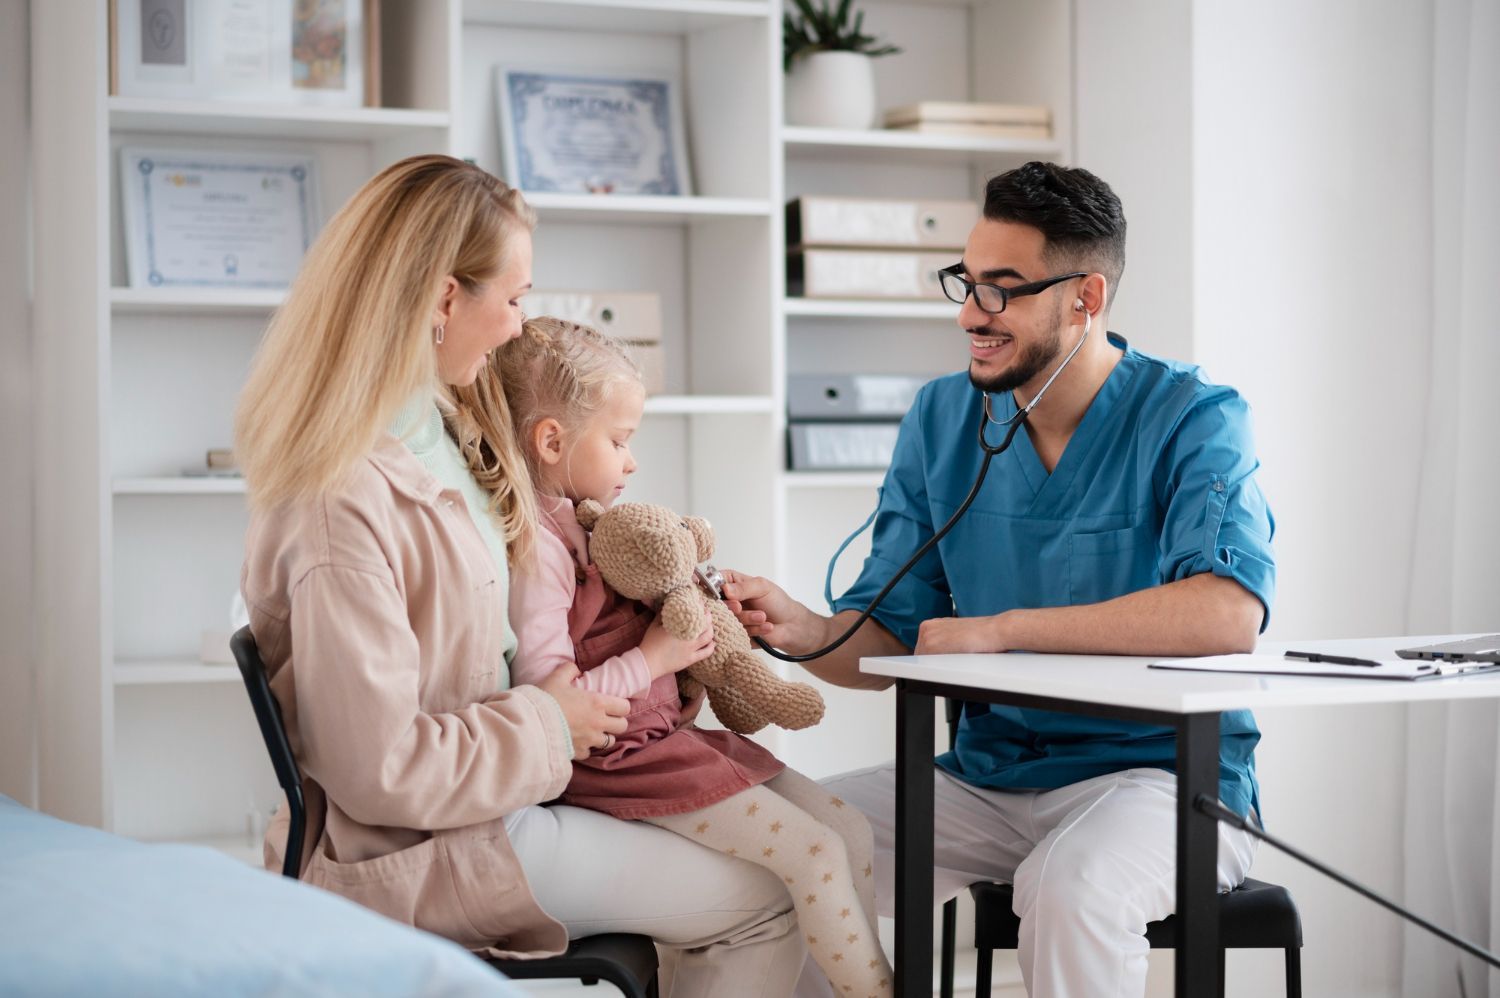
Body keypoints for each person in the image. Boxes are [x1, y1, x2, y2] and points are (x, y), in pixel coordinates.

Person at [234, 154, 805, 997]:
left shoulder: (448, 425)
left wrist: (643, 652)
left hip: (509, 793)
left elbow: (532, 609)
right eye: (514, 299)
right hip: (435, 842)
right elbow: (379, 768)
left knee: (779, 836)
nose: (516, 328)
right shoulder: (339, 502)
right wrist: (551, 723)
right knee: (773, 897)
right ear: (440, 298)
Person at [724, 161, 1275, 998]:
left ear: (1085, 298)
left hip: (1160, 780)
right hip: (991, 776)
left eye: (1002, 290)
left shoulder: (1194, 417)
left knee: (1074, 887)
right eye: (967, 282)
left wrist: (1002, 627)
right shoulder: (943, 416)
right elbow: (891, 636)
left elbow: (1226, 614)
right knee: (776, 848)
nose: (969, 314)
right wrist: (800, 629)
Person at [458, 316, 891, 998]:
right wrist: (655, 658)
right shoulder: (539, 550)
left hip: (664, 741)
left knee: (847, 830)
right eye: (620, 441)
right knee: (814, 855)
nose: (630, 461)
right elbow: (556, 700)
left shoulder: (584, 518)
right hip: (621, 763)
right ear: (551, 441)